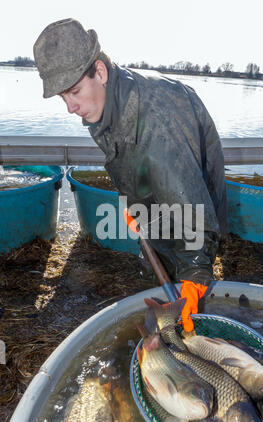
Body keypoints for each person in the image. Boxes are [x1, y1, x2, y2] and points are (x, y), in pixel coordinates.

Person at [33, 18, 227, 323]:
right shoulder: (105, 102)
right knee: (158, 266)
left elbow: (192, 206)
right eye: (63, 97)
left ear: (99, 71)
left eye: (74, 91)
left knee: (189, 288)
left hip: (193, 209)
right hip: (160, 205)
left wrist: (195, 270)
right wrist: (133, 203)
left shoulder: (156, 117)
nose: (70, 107)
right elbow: (132, 160)